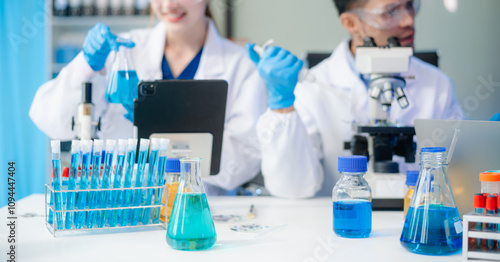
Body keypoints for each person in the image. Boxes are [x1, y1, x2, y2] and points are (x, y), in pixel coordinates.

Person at [30, 0, 267, 194]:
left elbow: (244, 160)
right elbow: (50, 118)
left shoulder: (241, 64)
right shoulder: (124, 49)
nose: (169, 4)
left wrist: (167, 127)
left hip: (204, 208)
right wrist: (86, 66)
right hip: (124, 205)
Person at [247, 0, 464, 198]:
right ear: (351, 23)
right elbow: (292, 188)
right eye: (390, 12)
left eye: (409, 5)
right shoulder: (314, 88)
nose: (408, 20)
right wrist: (282, 107)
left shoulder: (437, 84)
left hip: (417, 218)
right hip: (340, 223)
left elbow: (460, 173)